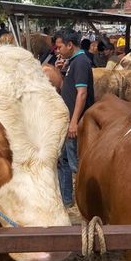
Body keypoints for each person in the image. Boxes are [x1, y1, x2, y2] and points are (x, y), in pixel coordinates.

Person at [55, 29, 94, 207]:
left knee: (75, 163)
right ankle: (67, 199)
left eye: (60, 46)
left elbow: (82, 93)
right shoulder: (73, 62)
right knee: (64, 160)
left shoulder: (81, 62)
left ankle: (85, 201)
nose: (57, 50)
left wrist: (74, 122)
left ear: (70, 45)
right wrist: (62, 72)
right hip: (69, 120)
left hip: (75, 121)